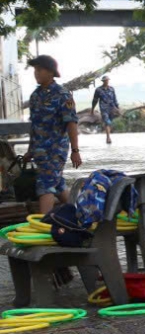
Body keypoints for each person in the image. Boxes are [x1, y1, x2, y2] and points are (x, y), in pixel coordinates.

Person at [23, 55, 81, 215]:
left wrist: (75, 151)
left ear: (50, 72)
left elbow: (71, 123)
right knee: (59, 186)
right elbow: (34, 126)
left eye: (39, 70)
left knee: (45, 186)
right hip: (39, 152)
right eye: (35, 70)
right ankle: (81, 215)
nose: (36, 73)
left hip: (56, 151)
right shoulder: (35, 96)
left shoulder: (63, 95)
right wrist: (30, 150)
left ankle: (44, 226)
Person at [90, 76, 119, 144]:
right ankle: (108, 137)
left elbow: (115, 99)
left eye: (107, 80)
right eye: (105, 80)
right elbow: (95, 100)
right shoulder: (98, 90)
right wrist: (92, 109)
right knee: (107, 122)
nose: (106, 81)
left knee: (109, 122)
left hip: (112, 109)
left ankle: (108, 135)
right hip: (104, 109)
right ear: (103, 81)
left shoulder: (112, 89)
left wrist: (117, 108)